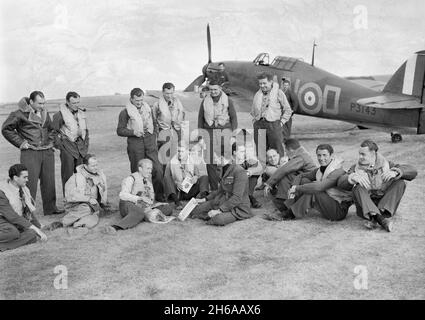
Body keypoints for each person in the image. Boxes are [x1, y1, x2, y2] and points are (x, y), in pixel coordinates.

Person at [2, 91, 63, 216]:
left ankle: (50, 208)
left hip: (47, 151)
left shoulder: (45, 112)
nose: (42, 106)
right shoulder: (18, 114)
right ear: (31, 102)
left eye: (43, 103)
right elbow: (6, 129)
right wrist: (21, 143)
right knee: (29, 182)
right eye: (39, 103)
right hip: (30, 152)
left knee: (49, 181)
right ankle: (28, 211)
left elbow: (51, 129)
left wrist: (51, 142)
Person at [337, 140, 417, 232]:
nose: (360, 157)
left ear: (373, 153)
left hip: (385, 205)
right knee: (357, 188)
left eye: (363, 154)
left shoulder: (387, 164)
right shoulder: (355, 167)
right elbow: (340, 182)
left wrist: (395, 172)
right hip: (365, 207)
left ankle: (376, 217)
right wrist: (352, 177)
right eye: (359, 154)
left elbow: (413, 171)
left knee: (400, 182)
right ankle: (381, 219)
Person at [278, 144, 352, 221]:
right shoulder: (320, 170)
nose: (321, 158)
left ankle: (289, 214)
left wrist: (297, 188)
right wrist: (294, 186)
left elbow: (319, 187)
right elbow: (301, 176)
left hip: (339, 210)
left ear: (331, 155)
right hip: (329, 203)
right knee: (305, 181)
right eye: (319, 155)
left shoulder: (337, 171)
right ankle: (289, 207)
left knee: (314, 191)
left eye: (324, 155)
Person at [102, 159, 173, 234]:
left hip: (142, 206)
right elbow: (122, 195)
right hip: (128, 204)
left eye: (151, 169)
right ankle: (115, 227)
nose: (150, 171)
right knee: (139, 212)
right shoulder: (131, 178)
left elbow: (149, 200)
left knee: (167, 208)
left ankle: (141, 216)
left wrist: (155, 205)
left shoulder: (148, 183)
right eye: (148, 168)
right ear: (140, 169)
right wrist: (138, 199)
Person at [117, 88, 164, 200]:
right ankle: (139, 198)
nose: (139, 102)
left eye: (141, 100)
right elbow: (120, 130)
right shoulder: (125, 113)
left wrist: (154, 136)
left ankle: (159, 196)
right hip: (135, 144)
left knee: (157, 169)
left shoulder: (148, 109)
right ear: (131, 99)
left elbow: (154, 123)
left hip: (150, 142)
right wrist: (133, 132)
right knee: (137, 173)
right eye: (136, 100)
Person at [190, 143, 253, 226]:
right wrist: (204, 199)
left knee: (218, 219)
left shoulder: (239, 171)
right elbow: (220, 191)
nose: (215, 160)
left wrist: (219, 210)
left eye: (216, 157)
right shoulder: (221, 169)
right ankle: (210, 214)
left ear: (222, 157)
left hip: (237, 207)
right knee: (195, 211)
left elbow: (237, 198)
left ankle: (213, 215)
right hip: (222, 201)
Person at [45, 154, 107, 235]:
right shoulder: (76, 178)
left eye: (96, 165)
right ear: (85, 166)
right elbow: (71, 197)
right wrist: (88, 199)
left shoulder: (100, 174)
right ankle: (61, 223)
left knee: (94, 215)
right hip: (75, 205)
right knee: (87, 209)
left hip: (92, 205)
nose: (96, 167)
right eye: (93, 166)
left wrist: (103, 203)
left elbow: (103, 190)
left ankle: (79, 225)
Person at [198, 80, 238, 190]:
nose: (213, 92)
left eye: (215, 89)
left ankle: (227, 188)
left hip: (225, 132)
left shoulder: (228, 100)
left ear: (220, 88)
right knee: (210, 162)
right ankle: (214, 189)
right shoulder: (204, 101)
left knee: (226, 160)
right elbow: (200, 119)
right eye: (211, 89)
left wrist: (233, 136)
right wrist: (201, 137)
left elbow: (234, 118)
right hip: (209, 132)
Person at [263, 139, 316, 217]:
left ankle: (284, 206)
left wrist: (269, 184)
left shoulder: (300, 157)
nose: (285, 152)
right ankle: (283, 204)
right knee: (287, 176)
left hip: (309, 182)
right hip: (306, 179)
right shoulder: (302, 153)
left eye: (286, 150)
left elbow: (285, 169)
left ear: (290, 150)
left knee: (285, 175)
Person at [0, 164, 47, 252]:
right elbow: (12, 216)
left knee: (32, 235)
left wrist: (38, 226)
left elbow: (27, 209)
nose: (27, 180)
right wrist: (34, 228)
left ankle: (3, 245)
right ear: (15, 178)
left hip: (13, 221)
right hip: (3, 220)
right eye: (24, 177)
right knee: (12, 233)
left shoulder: (24, 188)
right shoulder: (2, 191)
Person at [52, 91, 89, 195]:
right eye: (74, 103)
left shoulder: (81, 114)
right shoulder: (58, 115)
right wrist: (61, 147)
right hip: (67, 148)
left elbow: (86, 130)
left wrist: (86, 146)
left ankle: (82, 200)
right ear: (67, 102)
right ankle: (68, 202)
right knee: (68, 177)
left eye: (78, 102)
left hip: (81, 148)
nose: (76, 105)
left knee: (81, 175)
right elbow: (53, 132)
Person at [251, 72, 292, 158]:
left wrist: (281, 122)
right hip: (259, 125)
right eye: (260, 83)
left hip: (273, 125)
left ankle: (279, 170)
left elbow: (288, 110)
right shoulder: (257, 94)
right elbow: (253, 111)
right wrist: (255, 122)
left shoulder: (279, 92)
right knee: (261, 152)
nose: (262, 85)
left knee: (277, 151)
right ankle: (263, 170)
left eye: (264, 83)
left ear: (270, 82)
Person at [164, 143, 209, 209]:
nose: (180, 153)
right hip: (179, 191)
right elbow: (167, 179)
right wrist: (176, 183)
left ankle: (202, 199)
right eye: (178, 151)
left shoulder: (192, 159)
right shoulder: (171, 162)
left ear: (187, 152)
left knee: (204, 177)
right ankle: (177, 202)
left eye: (182, 151)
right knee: (167, 177)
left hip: (190, 188)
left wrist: (195, 178)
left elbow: (198, 174)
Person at [153, 82, 186, 165]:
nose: (169, 95)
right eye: (167, 93)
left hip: (176, 130)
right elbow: (154, 119)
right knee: (164, 155)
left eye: (171, 93)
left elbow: (182, 114)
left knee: (177, 154)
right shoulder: (157, 105)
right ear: (163, 92)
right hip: (164, 131)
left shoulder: (178, 103)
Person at [235, 141, 263, 208]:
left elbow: (259, 167)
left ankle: (249, 195)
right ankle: (250, 197)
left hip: (245, 182)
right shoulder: (231, 160)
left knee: (255, 175)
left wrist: (249, 172)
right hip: (233, 182)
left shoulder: (247, 158)